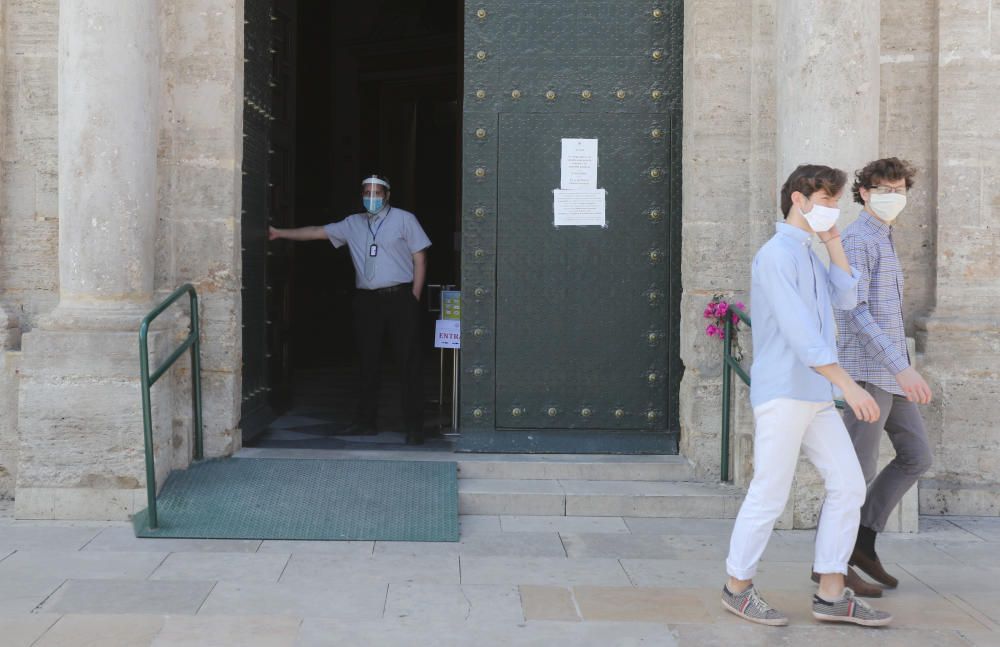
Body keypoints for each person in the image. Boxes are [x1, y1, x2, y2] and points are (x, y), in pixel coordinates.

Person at [720, 164, 892, 627]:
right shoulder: (776, 256)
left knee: (849, 485)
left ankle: (832, 593)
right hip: (785, 392)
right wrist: (848, 384)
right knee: (770, 493)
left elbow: (846, 296)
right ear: (799, 199)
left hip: (814, 393)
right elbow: (800, 335)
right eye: (828, 199)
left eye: (837, 200)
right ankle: (737, 586)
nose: (834, 208)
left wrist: (833, 240)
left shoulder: (809, 253)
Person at [269, 175, 431, 445]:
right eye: (367, 192)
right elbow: (316, 232)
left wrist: (413, 297)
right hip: (367, 301)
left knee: (408, 363)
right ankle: (365, 422)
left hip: (400, 297)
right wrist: (279, 233)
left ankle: (414, 426)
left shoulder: (405, 219)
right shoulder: (352, 224)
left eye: (377, 193)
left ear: (387, 195)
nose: (372, 197)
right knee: (368, 361)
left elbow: (420, 258)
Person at [834, 158, 933, 589]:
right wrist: (902, 367)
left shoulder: (884, 236)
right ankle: (832, 567)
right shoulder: (857, 239)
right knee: (855, 473)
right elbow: (855, 311)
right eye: (883, 188)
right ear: (864, 192)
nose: (892, 196)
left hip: (891, 373)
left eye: (899, 188)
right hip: (870, 374)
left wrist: (900, 370)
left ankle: (863, 540)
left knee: (916, 457)